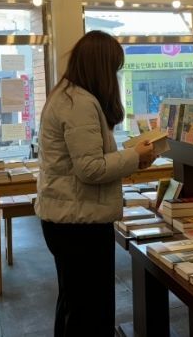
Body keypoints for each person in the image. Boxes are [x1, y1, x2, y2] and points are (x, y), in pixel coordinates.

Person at [35, 30, 156, 337]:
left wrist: (132, 158)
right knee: (90, 314)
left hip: (68, 218)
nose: (115, 77)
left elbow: (87, 161)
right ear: (101, 67)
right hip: (80, 224)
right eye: (114, 69)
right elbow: (90, 168)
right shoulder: (79, 103)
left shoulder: (67, 95)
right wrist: (134, 156)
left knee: (74, 305)